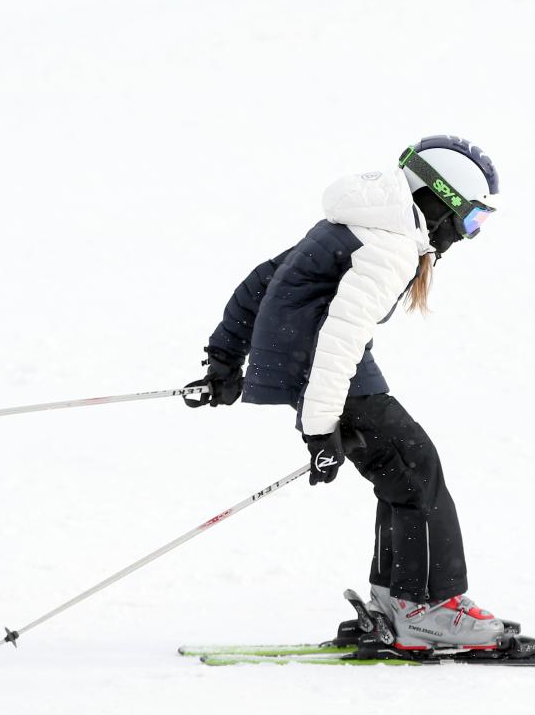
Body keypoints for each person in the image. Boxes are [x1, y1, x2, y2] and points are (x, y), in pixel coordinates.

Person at [192, 135, 505, 651]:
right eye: (471, 219)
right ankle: (427, 607)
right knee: (416, 468)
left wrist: (225, 360)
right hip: (323, 370)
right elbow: (339, 338)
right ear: (440, 199)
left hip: (318, 367)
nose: (467, 236)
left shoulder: (358, 222)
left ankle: (397, 598)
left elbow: (262, 282)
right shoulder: (391, 244)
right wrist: (319, 428)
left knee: (404, 473)